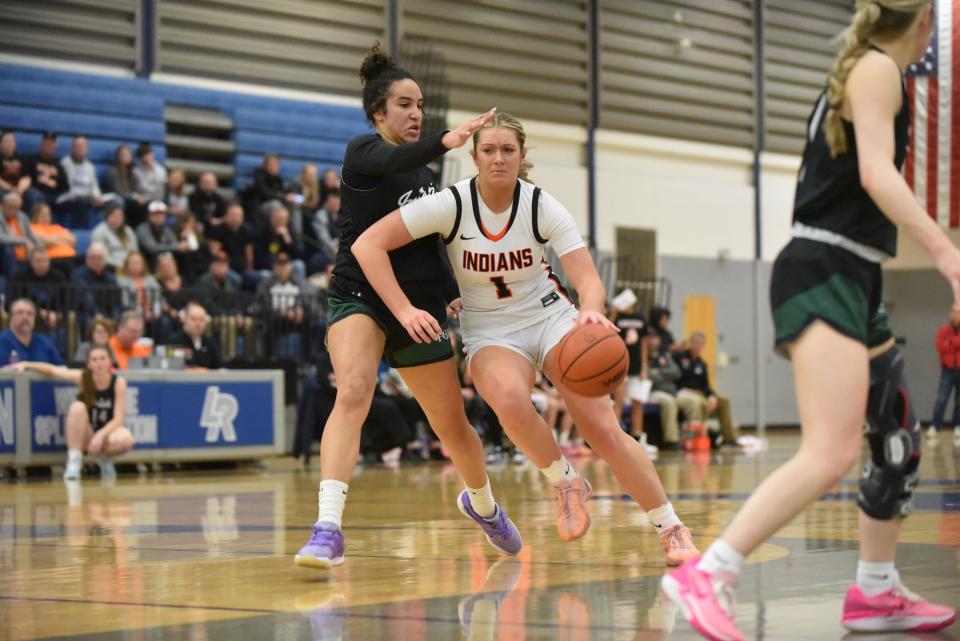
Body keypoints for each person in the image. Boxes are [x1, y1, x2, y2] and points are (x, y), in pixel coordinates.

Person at [660, 3, 959, 639]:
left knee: (895, 429)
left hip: (855, 272)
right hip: (823, 266)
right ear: (924, 29)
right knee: (833, 450)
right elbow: (877, 174)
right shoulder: (878, 68)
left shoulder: (865, 68)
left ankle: (876, 590)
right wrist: (946, 254)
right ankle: (709, 573)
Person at [352, 111, 698, 565]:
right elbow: (366, 245)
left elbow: (588, 280)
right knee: (510, 400)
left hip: (551, 317)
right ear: (474, 156)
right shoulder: (451, 203)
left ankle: (672, 528)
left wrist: (591, 311)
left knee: (602, 429)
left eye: (508, 150)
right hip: (491, 329)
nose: (498, 158)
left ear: (522, 156)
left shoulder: (541, 205)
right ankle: (566, 482)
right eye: (489, 150)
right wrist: (403, 308)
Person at [293, 43, 521, 571]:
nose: (416, 113)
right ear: (378, 112)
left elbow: (431, 243)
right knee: (353, 389)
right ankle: (327, 526)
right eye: (404, 104)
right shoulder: (364, 154)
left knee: (451, 424)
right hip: (361, 295)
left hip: (419, 304)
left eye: (420, 105)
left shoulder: (425, 179)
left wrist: (451, 291)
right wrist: (451, 138)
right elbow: (397, 157)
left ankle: (482, 505)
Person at [12, 346, 133, 480]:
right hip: (86, 434)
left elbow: (118, 419)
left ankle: (104, 459)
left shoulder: (118, 382)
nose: (99, 363)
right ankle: (74, 460)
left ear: (110, 361)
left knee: (125, 439)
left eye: (103, 358)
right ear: (88, 364)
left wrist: (100, 436)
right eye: (94, 359)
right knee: (77, 407)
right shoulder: (83, 377)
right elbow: (54, 370)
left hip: (106, 435)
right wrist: (27, 364)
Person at [609, 288, 655, 455]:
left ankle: (638, 437)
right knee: (619, 402)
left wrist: (644, 368)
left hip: (636, 367)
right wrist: (613, 313)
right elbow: (608, 332)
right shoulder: (618, 317)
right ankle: (613, 438)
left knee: (638, 403)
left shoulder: (640, 318)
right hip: (621, 366)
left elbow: (643, 344)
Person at [675, 331, 738, 448]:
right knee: (697, 402)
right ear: (690, 343)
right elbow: (674, 377)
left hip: (698, 392)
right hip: (683, 392)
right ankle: (695, 439)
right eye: (695, 342)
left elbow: (705, 385)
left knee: (724, 400)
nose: (697, 346)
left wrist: (711, 396)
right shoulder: (679, 357)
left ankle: (729, 439)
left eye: (700, 343)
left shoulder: (702, 364)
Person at [6, 247, 67, 331]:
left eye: (45, 260)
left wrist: (59, 315)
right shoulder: (20, 277)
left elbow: (66, 300)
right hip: (27, 318)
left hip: (55, 319)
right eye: (38, 261)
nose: (42, 264)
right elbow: (11, 303)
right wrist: (41, 313)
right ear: (31, 261)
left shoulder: (58, 277)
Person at [0, 298, 63, 365]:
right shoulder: (2, 341)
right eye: (20, 312)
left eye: (29, 313)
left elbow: (60, 369)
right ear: (11, 316)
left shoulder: (44, 342)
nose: (25, 317)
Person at [929, 306, 960, 441]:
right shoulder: (944, 330)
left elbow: (949, 345)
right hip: (948, 370)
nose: (957, 316)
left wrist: (951, 343)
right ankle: (935, 426)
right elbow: (940, 346)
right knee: (941, 399)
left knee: (959, 402)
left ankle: (958, 426)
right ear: (951, 314)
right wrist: (954, 343)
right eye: (955, 313)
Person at [646, 332, 681, 449]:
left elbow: (676, 372)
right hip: (652, 392)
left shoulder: (664, 356)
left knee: (692, 401)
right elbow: (649, 375)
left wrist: (659, 372)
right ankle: (671, 440)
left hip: (671, 391)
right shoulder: (644, 356)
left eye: (655, 337)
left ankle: (691, 437)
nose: (652, 340)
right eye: (650, 337)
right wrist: (663, 374)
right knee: (669, 402)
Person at [59, 136, 103, 229]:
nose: (81, 148)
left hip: (87, 197)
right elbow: (66, 186)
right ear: (72, 147)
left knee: (109, 203)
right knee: (82, 202)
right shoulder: (65, 163)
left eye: (83, 146)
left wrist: (97, 197)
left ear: (87, 149)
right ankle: (80, 232)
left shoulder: (90, 166)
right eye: (78, 146)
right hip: (69, 198)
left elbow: (94, 185)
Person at [168, 301, 223, 369]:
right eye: (194, 319)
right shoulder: (173, 342)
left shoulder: (211, 342)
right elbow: (170, 368)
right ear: (185, 319)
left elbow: (221, 368)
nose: (198, 324)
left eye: (201, 320)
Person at [29, 202, 77, 273]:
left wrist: (52, 239)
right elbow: (41, 241)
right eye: (43, 215)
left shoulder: (57, 227)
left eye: (48, 214)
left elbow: (73, 240)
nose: (46, 217)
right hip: (52, 259)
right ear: (35, 216)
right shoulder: (32, 228)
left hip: (71, 257)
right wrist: (62, 239)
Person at [91, 203, 138, 270]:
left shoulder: (128, 230)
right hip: (110, 267)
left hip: (130, 266)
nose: (116, 219)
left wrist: (133, 264)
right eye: (113, 216)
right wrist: (120, 265)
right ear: (107, 217)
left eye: (120, 216)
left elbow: (135, 251)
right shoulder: (99, 231)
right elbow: (99, 255)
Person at [117, 251, 161, 321]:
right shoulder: (122, 281)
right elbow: (125, 302)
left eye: (138, 263)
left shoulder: (150, 279)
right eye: (133, 263)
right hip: (132, 312)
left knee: (164, 321)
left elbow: (157, 295)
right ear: (127, 265)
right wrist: (139, 311)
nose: (135, 266)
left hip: (151, 311)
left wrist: (155, 310)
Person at [25, 131, 67, 206]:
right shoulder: (31, 160)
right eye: (46, 143)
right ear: (41, 145)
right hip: (37, 193)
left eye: (51, 144)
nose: (48, 146)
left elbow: (65, 187)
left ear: (55, 147)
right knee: (32, 194)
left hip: (53, 197)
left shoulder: (58, 165)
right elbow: (26, 178)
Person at [0, 191, 39, 261]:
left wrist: (40, 247)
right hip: (8, 251)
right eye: (10, 207)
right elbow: (1, 238)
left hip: (25, 250)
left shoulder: (22, 216)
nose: (13, 211)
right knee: (7, 249)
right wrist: (24, 241)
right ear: (3, 206)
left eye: (16, 208)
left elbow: (31, 235)